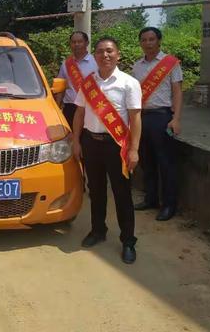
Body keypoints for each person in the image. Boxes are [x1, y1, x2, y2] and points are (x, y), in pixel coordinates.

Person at [72, 36, 142, 264]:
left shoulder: (129, 83)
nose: (105, 55)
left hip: (117, 146)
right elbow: (79, 114)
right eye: (100, 51)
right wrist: (76, 141)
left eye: (110, 50)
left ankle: (128, 241)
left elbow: (135, 118)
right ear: (95, 56)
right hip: (91, 143)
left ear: (118, 54)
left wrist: (134, 150)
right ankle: (98, 230)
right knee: (96, 191)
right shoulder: (88, 83)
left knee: (122, 194)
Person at [132, 26, 183, 221]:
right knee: (147, 161)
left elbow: (177, 92)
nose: (148, 43)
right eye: (144, 40)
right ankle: (150, 198)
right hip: (142, 117)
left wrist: (176, 118)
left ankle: (169, 205)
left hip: (162, 117)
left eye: (151, 39)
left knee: (166, 163)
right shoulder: (137, 66)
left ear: (159, 41)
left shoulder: (170, 63)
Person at [56, 31, 98, 127]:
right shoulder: (66, 64)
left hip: (90, 107)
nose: (76, 44)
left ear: (87, 43)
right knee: (70, 138)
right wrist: (57, 107)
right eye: (73, 42)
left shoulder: (96, 61)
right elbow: (60, 87)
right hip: (70, 108)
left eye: (80, 41)